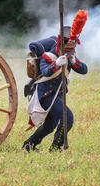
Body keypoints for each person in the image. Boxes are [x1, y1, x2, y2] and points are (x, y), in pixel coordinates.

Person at [22, 23, 88, 152]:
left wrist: (74, 62)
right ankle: (55, 148)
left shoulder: (70, 55)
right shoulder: (49, 56)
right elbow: (45, 71)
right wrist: (56, 64)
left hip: (57, 95)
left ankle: (28, 145)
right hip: (46, 94)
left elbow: (84, 70)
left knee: (49, 126)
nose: (70, 50)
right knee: (67, 118)